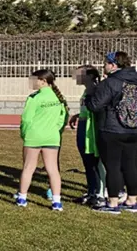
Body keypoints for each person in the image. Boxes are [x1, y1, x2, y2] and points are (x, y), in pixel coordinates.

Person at [85, 52, 137, 214]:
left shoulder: (110, 83)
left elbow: (95, 106)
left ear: (114, 65)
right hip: (133, 128)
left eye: (106, 63)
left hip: (111, 128)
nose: (103, 66)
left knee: (113, 166)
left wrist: (90, 95)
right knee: (131, 165)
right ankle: (132, 200)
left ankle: (113, 202)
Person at [15, 69, 68, 211]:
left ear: (43, 81)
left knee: (28, 168)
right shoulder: (58, 98)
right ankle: (56, 201)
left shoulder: (34, 98)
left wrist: (24, 133)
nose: (32, 83)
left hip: (34, 136)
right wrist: (56, 130)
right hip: (52, 136)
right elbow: (62, 118)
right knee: (53, 169)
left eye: (34, 80)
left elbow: (26, 119)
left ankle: (22, 197)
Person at [68, 66, 106, 207]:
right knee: (87, 161)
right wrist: (78, 116)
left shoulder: (97, 89)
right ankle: (91, 190)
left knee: (95, 161)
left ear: (90, 76)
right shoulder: (86, 90)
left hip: (92, 130)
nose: (76, 77)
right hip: (83, 126)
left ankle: (100, 192)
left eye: (80, 74)